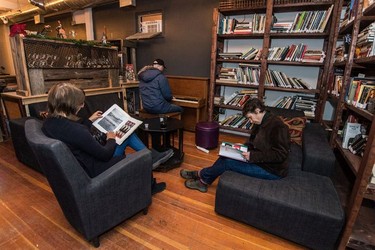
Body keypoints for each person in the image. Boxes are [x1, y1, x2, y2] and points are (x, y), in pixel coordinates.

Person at [42, 83, 172, 194]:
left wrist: (89, 121)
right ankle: (149, 159)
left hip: (86, 163)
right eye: (80, 104)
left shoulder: (49, 123)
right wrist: (111, 139)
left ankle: (149, 156)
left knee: (127, 133)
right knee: (127, 135)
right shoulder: (76, 131)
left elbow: (73, 132)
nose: (81, 106)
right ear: (69, 105)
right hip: (99, 167)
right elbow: (104, 155)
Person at [180, 98, 290, 192]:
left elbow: (280, 154)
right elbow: (254, 142)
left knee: (228, 163)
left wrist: (252, 156)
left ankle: (201, 178)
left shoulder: (278, 126)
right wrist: (242, 146)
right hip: (259, 160)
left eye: (250, 117)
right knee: (225, 156)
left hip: (271, 170)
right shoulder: (260, 121)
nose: (250, 121)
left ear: (257, 111)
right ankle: (202, 177)